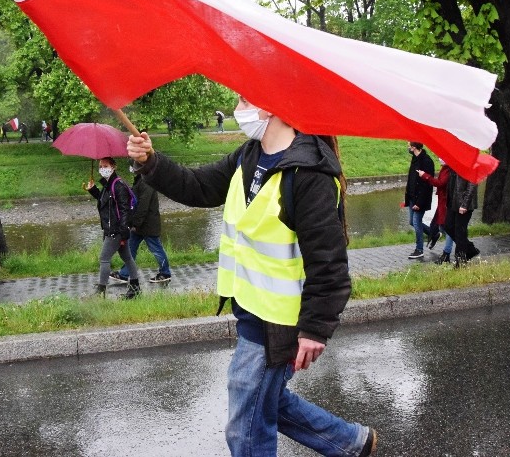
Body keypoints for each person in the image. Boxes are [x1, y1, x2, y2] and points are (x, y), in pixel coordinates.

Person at [127, 96, 377, 457]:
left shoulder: (309, 174)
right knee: (265, 400)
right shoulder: (250, 155)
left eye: (246, 98)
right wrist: (150, 161)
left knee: (244, 431)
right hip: (249, 307)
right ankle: (350, 442)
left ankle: (348, 442)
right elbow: (197, 186)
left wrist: (314, 330)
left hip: (280, 322)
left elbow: (330, 264)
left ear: (274, 103)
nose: (237, 105)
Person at [86, 157, 141, 299]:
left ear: (113, 167)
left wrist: (123, 234)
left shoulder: (118, 185)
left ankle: (101, 292)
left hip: (116, 230)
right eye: (100, 166)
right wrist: (93, 190)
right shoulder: (108, 185)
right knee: (127, 258)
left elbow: (124, 210)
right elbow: (106, 203)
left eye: (105, 165)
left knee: (104, 258)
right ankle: (135, 289)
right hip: (114, 229)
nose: (102, 168)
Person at [110, 168, 173, 284]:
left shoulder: (147, 182)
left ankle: (165, 273)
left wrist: (134, 223)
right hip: (139, 225)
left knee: (156, 249)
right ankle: (124, 274)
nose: (132, 168)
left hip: (148, 225)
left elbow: (143, 206)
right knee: (130, 249)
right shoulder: (139, 180)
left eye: (134, 165)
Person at [417, 159, 455, 264]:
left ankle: (448, 253)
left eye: (443, 157)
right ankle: (455, 248)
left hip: (446, 203)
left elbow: (440, 183)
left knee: (448, 229)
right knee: (443, 227)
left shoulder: (449, 170)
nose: (440, 159)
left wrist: (425, 176)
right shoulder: (445, 168)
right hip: (442, 203)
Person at [404, 142, 434, 259]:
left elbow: (426, 185)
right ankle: (433, 233)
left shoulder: (426, 161)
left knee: (416, 222)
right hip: (412, 197)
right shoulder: (415, 159)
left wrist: (419, 203)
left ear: (414, 147)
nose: (408, 148)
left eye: (409, 146)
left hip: (419, 200)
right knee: (412, 222)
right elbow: (411, 179)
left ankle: (419, 249)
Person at [444, 168, 480, 266]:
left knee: (460, 232)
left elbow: (472, 184)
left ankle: (460, 261)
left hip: (464, 204)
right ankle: (470, 249)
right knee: (448, 226)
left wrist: (465, 204)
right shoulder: (455, 163)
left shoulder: (471, 164)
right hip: (453, 202)